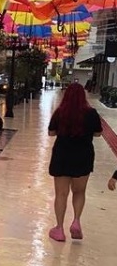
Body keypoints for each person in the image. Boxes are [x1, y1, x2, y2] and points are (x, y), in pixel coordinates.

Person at [48, 82, 102, 242]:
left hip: (62, 156)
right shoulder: (91, 113)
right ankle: (76, 221)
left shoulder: (60, 112)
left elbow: (51, 132)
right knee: (79, 192)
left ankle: (59, 229)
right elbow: (98, 133)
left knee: (61, 194)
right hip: (83, 156)